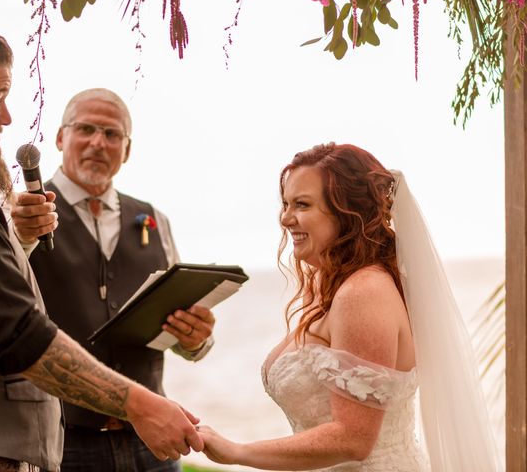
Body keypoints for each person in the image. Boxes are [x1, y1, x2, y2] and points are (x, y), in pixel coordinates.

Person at [0, 24, 203, 472]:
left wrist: (192, 341)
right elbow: (16, 335)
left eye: (113, 135)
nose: (8, 118)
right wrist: (140, 404)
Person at [197, 143, 500, 471]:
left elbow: (353, 438)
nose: (286, 218)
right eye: (285, 204)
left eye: (302, 204)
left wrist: (237, 451)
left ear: (347, 210)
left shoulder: (363, 293)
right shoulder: (336, 288)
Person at [10, 87, 216, 472]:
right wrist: (20, 234)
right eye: (85, 128)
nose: (98, 143)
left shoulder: (154, 219)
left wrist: (194, 340)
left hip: (151, 442)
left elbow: (179, 328)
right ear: (60, 137)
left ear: (127, 149)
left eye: (112, 134)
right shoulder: (20, 212)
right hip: (61, 440)